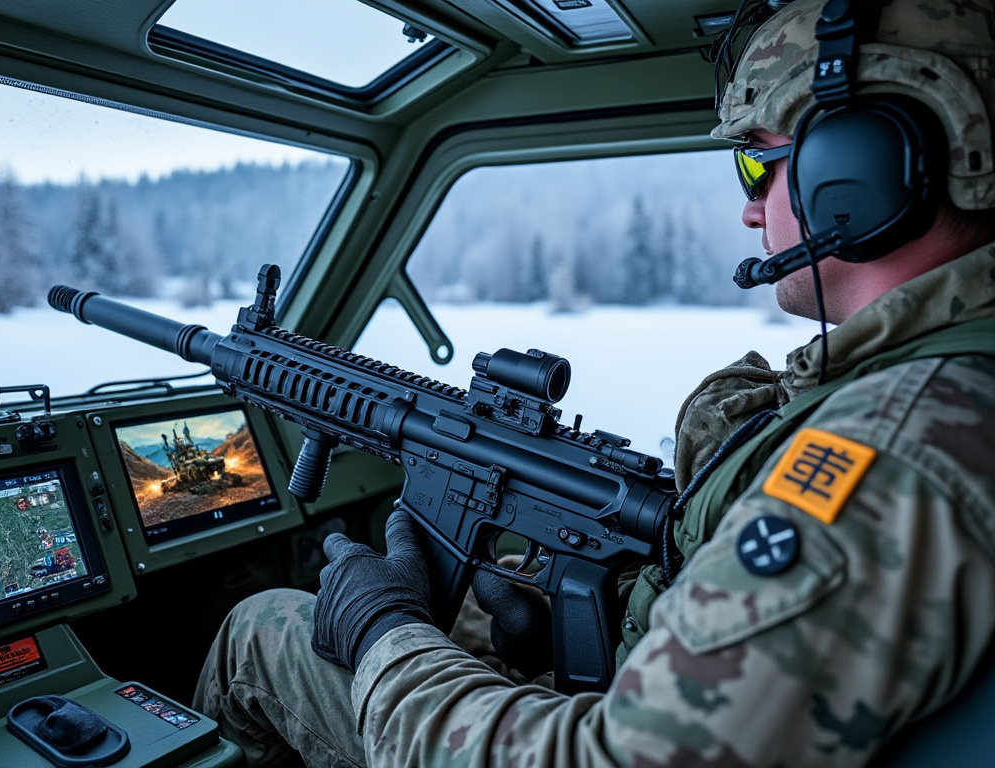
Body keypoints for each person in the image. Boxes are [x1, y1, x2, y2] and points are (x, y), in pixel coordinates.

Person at [193, 0, 995, 765]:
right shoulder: (924, 378)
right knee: (479, 611)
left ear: (859, 169)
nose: (750, 211)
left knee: (260, 627)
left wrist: (384, 633)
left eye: (756, 159)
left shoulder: (890, 448)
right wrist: (597, 620)